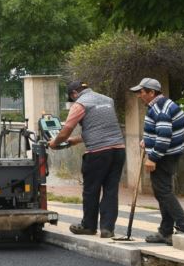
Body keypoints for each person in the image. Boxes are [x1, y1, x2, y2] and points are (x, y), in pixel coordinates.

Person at [48, 80, 126, 238]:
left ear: (74, 94)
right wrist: (73, 142)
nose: (73, 101)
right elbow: (99, 128)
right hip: (118, 150)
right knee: (111, 190)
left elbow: (65, 131)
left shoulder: (80, 104)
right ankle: (107, 229)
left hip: (98, 153)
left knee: (91, 189)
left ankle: (88, 226)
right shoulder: (107, 100)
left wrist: (54, 143)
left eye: (72, 98)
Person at [131, 77, 184, 244]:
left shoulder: (160, 109)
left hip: (164, 156)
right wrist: (148, 140)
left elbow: (164, 137)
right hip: (169, 154)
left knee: (163, 192)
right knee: (162, 192)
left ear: (152, 92)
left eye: (142, 92)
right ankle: (165, 231)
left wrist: (152, 158)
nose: (139, 95)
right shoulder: (164, 104)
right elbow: (161, 132)